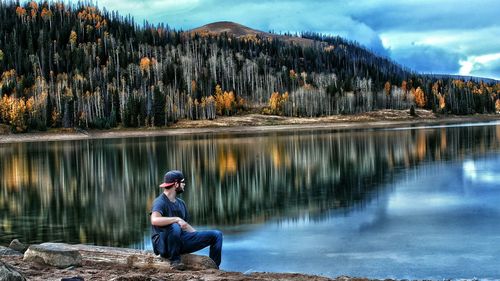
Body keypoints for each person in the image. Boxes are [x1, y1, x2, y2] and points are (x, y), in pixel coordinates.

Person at [150, 170, 223, 270]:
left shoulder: (181, 203)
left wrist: (197, 236)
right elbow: (154, 220)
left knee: (216, 235)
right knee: (175, 226)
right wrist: (176, 219)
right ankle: (175, 262)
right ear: (176, 184)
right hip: (163, 245)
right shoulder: (160, 202)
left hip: (180, 241)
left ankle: (214, 268)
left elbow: (185, 225)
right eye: (183, 182)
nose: (184, 184)